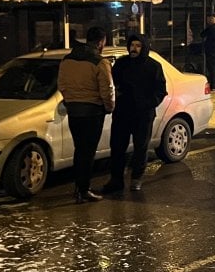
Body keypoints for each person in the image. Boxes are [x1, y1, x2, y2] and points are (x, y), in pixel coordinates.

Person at [102, 33, 167, 193]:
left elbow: (160, 91)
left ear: (144, 47)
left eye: (138, 46)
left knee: (141, 148)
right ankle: (116, 179)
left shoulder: (153, 66)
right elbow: (112, 84)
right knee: (117, 147)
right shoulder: (122, 64)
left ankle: (136, 178)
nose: (134, 49)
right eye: (132, 45)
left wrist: (147, 103)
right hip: (123, 113)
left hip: (143, 115)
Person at [57, 26, 115, 203]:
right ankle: (84, 190)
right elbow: (107, 89)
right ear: (100, 42)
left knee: (79, 150)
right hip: (92, 112)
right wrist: (109, 107)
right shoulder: (99, 62)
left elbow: (62, 84)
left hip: (74, 111)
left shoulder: (67, 60)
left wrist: (70, 101)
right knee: (88, 152)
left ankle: (79, 187)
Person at [201, 15, 215, 90]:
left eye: (208, 21)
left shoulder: (211, 28)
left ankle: (213, 86)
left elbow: (202, 34)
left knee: (212, 69)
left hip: (211, 51)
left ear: (211, 21)